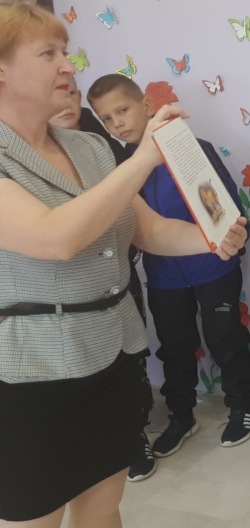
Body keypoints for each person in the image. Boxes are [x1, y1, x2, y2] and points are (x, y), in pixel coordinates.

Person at [0, 1, 247, 528]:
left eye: (66, 51)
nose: (68, 65)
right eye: (48, 53)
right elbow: (57, 239)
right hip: (32, 372)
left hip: (112, 354)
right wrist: (143, 160)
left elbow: (148, 230)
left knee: (102, 503)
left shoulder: (87, 148)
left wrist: (213, 238)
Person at [87, 74, 250, 456]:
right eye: (106, 119)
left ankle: (242, 407)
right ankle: (182, 416)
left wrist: (232, 240)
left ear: (147, 106)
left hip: (214, 268)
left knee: (225, 339)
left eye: (122, 110)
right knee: (175, 346)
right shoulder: (123, 169)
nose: (117, 124)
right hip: (164, 276)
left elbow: (228, 208)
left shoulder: (193, 149)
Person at [48, 77, 157, 482]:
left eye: (71, 92)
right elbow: (58, 238)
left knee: (129, 357)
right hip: (62, 297)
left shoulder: (103, 145)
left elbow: (144, 224)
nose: (65, 103)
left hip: (118, 277)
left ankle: (134, 433)